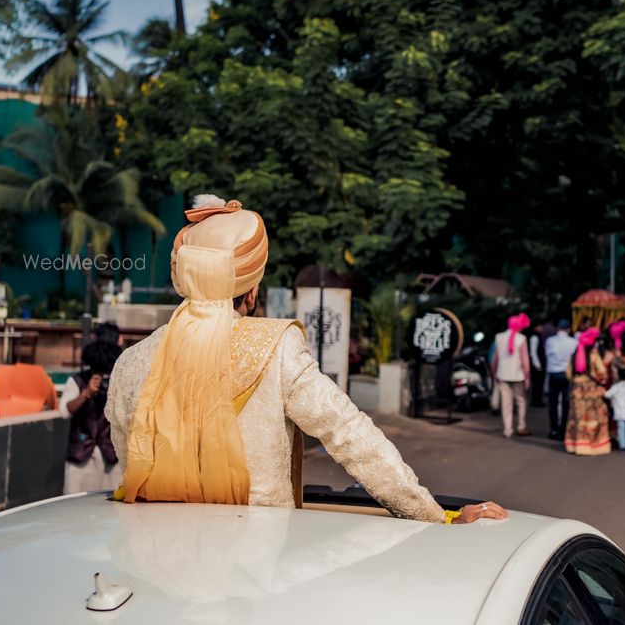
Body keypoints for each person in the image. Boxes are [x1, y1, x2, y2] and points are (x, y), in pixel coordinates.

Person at [108, 195, 505, 524]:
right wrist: (435, 516)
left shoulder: (132, 361)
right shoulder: (275, 346)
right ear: (251, 290)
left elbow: (131, 467)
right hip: (254, 565)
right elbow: (351, 436)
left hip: (152, 558)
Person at [60, 333, 123, 494]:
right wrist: (85, 393)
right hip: (81, 458)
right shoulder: (77, 381)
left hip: (110, 458)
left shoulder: (118, 383)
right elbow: (65, 411)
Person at [565, 327, 611, 455]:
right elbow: (602, 372)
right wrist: (600, 380)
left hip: (577, 390)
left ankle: (576, 446)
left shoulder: (574, 355)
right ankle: (593, 446)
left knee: (577, 419)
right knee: (594, 419)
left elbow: (568, 374)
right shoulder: (593, 354)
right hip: (591, 390)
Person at [491, 313, 532, 438]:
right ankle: (521, 426)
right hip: (517, 375)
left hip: (502, 374)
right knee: (520, 401)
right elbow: (525, 360)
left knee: (506, 403)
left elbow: (495, 358)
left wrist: (494, 373)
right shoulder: (522, 339)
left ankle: (507, 429)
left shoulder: (499, 337)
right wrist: (527, 376)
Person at [545, 319, 578, 440]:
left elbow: (548, 354)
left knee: (552, 403)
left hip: (553, 373)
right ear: (568, 329)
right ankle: (563, 430)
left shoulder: (550, 341)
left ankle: (553, 429)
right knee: (566, 403)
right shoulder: (573, 342)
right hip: (566, 374)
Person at [528, 322, 546, 408]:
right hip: (537, 365)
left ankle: (538, 400)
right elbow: (533, 352)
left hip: (539, 364)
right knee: (537, 384)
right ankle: (536, 401)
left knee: (539, 383)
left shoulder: (538, 336)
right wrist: (538, 364)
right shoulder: (534, 337)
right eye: (540, 325)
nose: (542, 327)